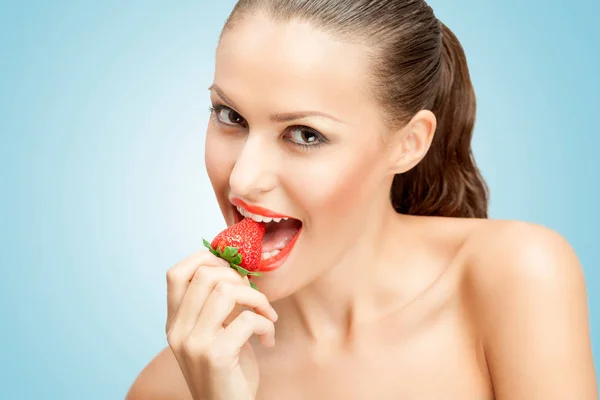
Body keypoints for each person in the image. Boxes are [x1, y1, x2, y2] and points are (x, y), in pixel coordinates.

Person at [126, 1, 597, 399]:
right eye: (229, 115)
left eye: (305, 134)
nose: (243, 179)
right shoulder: (173, 386)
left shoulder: (515, 274)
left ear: (408, 143)